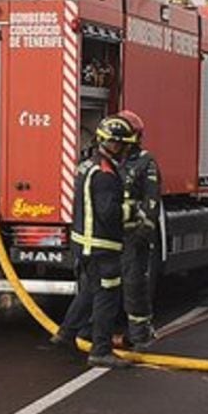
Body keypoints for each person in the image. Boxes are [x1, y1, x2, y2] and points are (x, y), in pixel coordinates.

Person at [51, 115, 134, 370]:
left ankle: (66, 334)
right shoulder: (106, 175)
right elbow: (108, 213)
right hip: (101, 247)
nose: (127, 150)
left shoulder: (88, 165)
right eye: (124, 145)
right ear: (114, 144)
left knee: (89, 290)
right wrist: (132, 211)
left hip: (85, 245)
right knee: (106, 296)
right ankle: (101, 350)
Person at [117, 110, 161, 348]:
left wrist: (143, 233)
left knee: (134, 284)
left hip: (134, 237)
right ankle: (93, 331)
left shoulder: (145, 162)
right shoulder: (104, 159)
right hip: (108, 237)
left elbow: (151, 201)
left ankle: (138, 333)